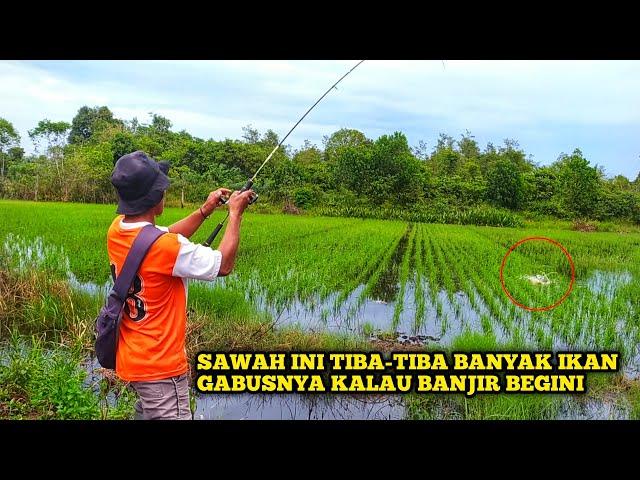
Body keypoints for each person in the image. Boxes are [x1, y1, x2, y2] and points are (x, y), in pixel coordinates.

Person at [107, 150, 253, 420]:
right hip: (160, 367)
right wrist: (235, 214)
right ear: (156, 198)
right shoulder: (167, 249)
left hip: (133, 357)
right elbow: (223, 265)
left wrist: (205, 210)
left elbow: (160, 236)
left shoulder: (118, 229)